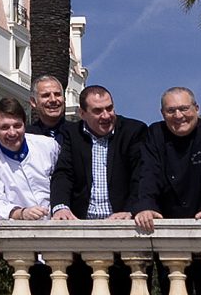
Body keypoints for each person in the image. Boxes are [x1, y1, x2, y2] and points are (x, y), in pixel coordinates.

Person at [131, 87, 201, 232]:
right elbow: (148, 173)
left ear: (197, 109)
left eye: (184, 109)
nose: (178, 116)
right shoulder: (155, 134)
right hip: (164, 223)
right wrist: (145, 207)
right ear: (162, 113)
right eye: (171, 110)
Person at [51, 84, 144, 220]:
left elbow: (141, 176)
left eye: (109, 108)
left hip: (122, 221)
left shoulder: (133, 131)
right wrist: (61, 207)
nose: (106, 116)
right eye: (98, 111)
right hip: (81, 222)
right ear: (82, 114)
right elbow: (63, 174)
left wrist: (131, 210)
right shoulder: (72, 134)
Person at [0, 97, 60, 219]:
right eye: (5, 127)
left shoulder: (49, 146)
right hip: (21, 227)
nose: (12, 133)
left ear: (24, 125)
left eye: (17, 125)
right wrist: (22, 213)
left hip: (58, 223)